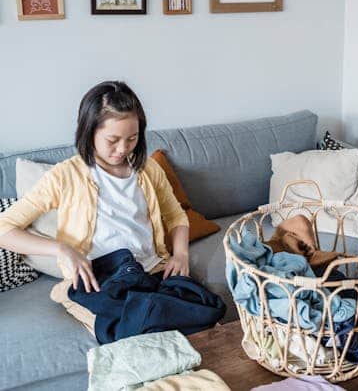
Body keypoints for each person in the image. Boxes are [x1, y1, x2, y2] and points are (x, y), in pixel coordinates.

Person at [0, 81, 225, 343]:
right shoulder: (65, 176)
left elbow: (176, 216)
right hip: (100, 278)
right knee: (137, 332)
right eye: (112, 140)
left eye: (132, 138)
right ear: (89, 131)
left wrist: (181, 255)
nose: (122, 149)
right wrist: (62, 249)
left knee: (209, 310)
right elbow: (5, 229)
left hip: (152, 270)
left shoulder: (148, 170)